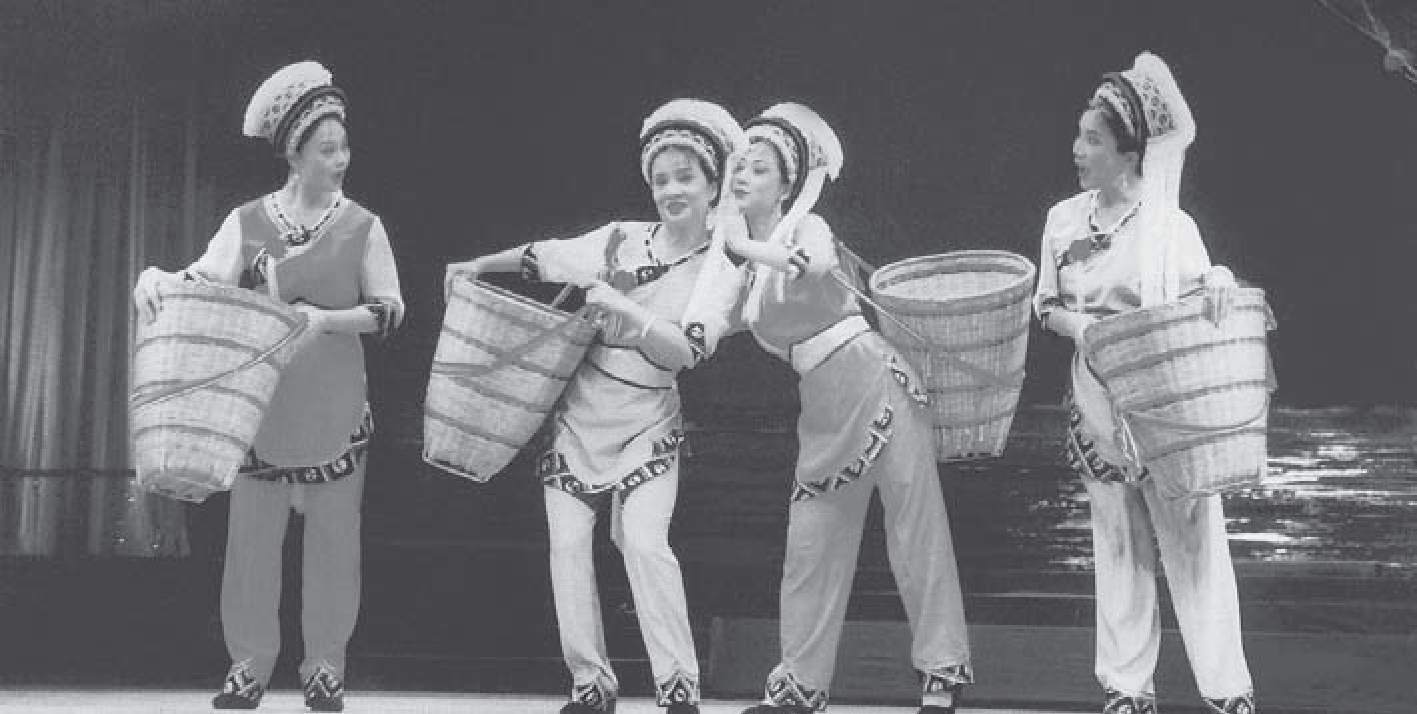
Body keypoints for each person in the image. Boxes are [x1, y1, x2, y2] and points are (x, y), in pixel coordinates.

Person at [443, 99, 746, 714]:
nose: (672, 190)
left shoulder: (721, 268)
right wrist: (479, 264)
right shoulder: (619, 238)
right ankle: (590, 683)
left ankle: (678, 686)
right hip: (581, 414)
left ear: (713, 186)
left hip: (648, 419)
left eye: (686, 177)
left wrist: (631, 313)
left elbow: (686, 352)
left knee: (644, 541)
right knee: (567, 544)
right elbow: (545, 256)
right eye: (660, 179)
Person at [132, 61, 403, 713]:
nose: (341, 159)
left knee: (333, 546)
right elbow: (203, 278)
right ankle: (248, 666)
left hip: (335, 406)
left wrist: (326, 320)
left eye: (344, 147)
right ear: (294, 154)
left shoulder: (363, 225)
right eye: (326, 150)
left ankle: (325, 668)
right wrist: (155, 277)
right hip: (259, 407)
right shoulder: (248, 220)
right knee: (251, 545)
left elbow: (390, 310)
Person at [725, 103, 973, 714]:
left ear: (785, 186)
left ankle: (941, 674)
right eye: (738, 167)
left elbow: (817, 264)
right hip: (823, 404)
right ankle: (799, 684)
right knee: (811, 547)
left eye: (758, 169)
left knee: (916, 528)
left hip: (874, 377)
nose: (743, 177)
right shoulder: (740, 273)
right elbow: (701, 330)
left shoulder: (806, 228)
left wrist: (738, 243)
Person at [1032, 52, 1256, 714]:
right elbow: (1045, 305)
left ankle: (1227, 690)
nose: (1077, 151)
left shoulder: (1168, 227)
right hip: (1098, 404)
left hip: (1161, 406)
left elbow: (1203, 292)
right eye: (1078, 136)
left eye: (1092, 140)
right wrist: (1081, 328)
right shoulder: (1063, 221)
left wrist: (1219, 279)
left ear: (1129, 154)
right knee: (1119, 548)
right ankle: (1126, 689)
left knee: (1195, 548)